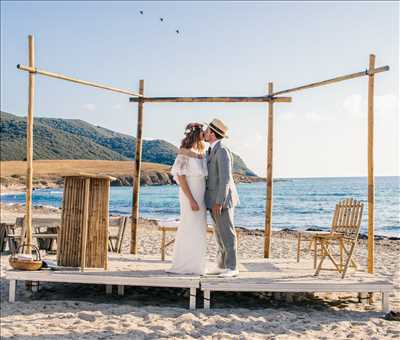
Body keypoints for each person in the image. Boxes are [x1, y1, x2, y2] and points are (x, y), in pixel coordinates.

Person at [167, 123, 208, 275]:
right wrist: (191, 199)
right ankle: (184, 265)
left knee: (199, 229)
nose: (205, 135)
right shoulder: (184, 152)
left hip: (201, 195)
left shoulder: (202, 151)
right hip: (190, 194)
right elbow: (180, 177)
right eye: (203, 132)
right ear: (197, 134)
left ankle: (197, 265)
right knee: (189, 226)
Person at [204, 118, 240, 277]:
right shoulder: (211, 150)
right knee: (219, 235)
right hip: (213, 200)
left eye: (206, 130)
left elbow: (225, 178)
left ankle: (232, 268)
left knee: (227, 233)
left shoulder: (223, 150)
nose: (204, 133)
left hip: (222, 201)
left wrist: (219, 201)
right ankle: (222, 265)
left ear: (212, 133)